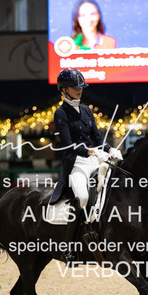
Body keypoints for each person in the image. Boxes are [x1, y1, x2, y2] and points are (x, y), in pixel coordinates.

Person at [49, 68, 122, 264]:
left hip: (94, 159)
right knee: (82, 197)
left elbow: (97, 138)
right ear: (64, 89)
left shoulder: (87, 110)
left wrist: (110, 149)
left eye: (81, 87)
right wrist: (90, 151)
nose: (79, 90)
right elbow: (68, 144)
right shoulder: (61, 113)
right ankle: (69, 248)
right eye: (75, 87)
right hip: (76, 162)